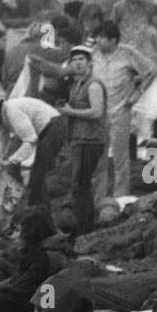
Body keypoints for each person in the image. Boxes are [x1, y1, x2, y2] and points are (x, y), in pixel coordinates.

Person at [92, 19, 157, 204]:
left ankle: (121, 197)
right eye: (97, 37)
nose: (98, 41)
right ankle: (99, 198)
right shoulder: (92, 55)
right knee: (99, 158)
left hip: (120, 110)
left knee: (121, 158)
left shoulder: (128, 54)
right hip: (98, 113)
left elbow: (152, 71)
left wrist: (138, 92)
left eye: (103, 38)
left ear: (113, 40)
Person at [0, 92, 68, 209]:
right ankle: (35, 208)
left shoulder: (12, 112)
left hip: (53, 126)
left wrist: (12, 160)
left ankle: (39, 214)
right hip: (44, 131)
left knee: (36, 178)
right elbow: (1, 146)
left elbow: (30, 140)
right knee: (21, 173)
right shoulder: (2, 120)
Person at [58, 44, 107, 235]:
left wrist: (71, 111)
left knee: (81, 184)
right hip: (79, 138)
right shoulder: (76, 84)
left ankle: (83, 228)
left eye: (81, 60)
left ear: (89, 63)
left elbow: (97, 111)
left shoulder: (93, 85)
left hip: (91, 140)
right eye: (74, 60)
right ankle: (84, 225)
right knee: (80, 183)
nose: (77, 63)